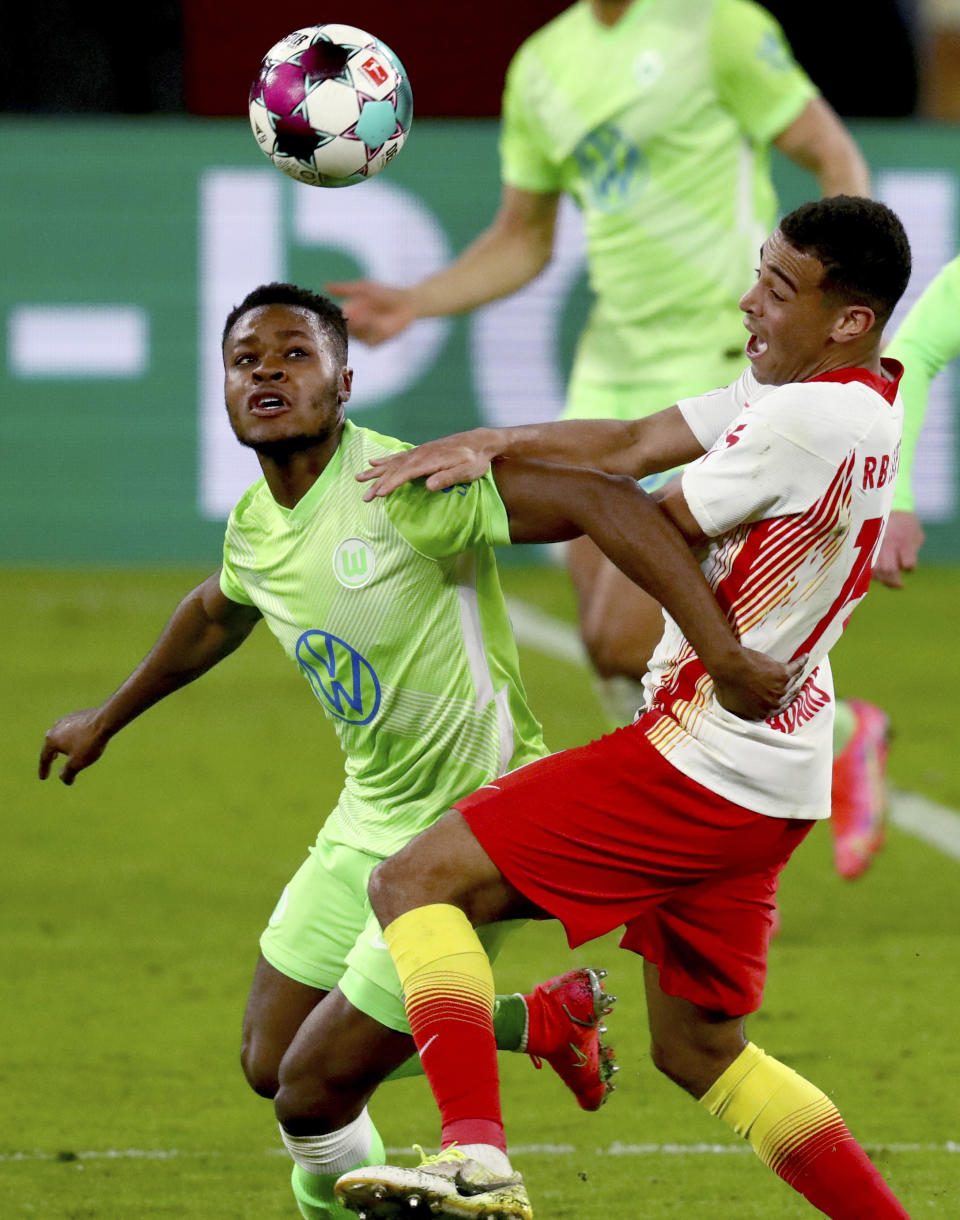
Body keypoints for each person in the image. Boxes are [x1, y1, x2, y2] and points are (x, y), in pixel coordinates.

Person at [36, 285, 798, 1220]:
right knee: (269, 1064)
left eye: (295, 355)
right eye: (245, 361)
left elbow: (604, 500)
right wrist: (107, 717)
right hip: (367, 818)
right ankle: (543, 1021)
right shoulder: (255, 525)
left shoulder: (406, 493)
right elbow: (213, 612)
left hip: (474, 830)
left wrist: (718, 650)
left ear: (345, 383)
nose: (266, 371)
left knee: (313, 1094)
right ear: (225, 390)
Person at [334, 196, 913, 1219]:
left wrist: (724, 651)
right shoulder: (855, 397)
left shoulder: (802, 416)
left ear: (848, 320)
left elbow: (644, 517)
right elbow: (640, 436)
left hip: (700, 762)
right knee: (699, 1048)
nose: (750, 300)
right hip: (773, 779)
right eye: (759, 273)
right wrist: (494, 438)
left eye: (780, 287)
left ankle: (477, 1159)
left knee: (414, 879)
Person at [328, 0, 890, 883]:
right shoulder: (542, 66)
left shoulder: (718, 27)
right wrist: (418, 300)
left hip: (721, 352)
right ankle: (701, 822)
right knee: (618, 646)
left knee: (623, 636)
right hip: (614, 368)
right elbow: (523, 238)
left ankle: (811, 745)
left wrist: (834, 331)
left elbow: (828, 154)